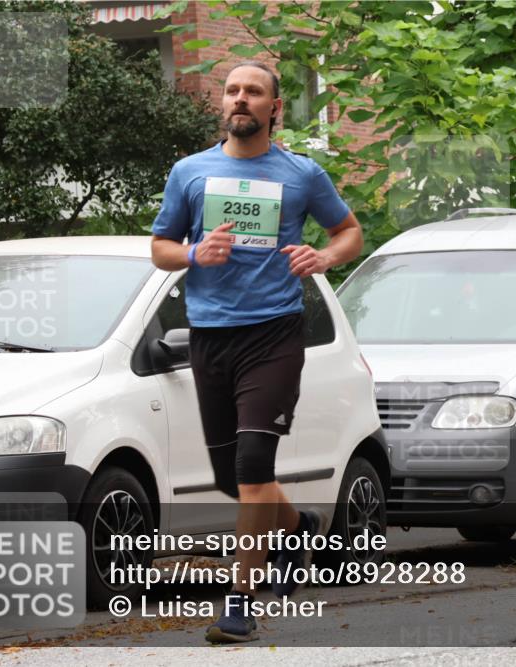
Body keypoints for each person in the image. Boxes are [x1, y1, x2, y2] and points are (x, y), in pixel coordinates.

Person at [150, 61, 363, 642]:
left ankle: (240, 602)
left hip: (273, 333)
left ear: (275, 108)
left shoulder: (301, 174)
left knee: (252, 468)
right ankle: (299, 530)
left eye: (253, 92)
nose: (240, 99)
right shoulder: (190, 172)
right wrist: (195, 255)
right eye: (232, 91)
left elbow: (349, 232)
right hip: (209, 336)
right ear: (224, 104)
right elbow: (161, 248)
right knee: (229, 478)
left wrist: (324, 257)